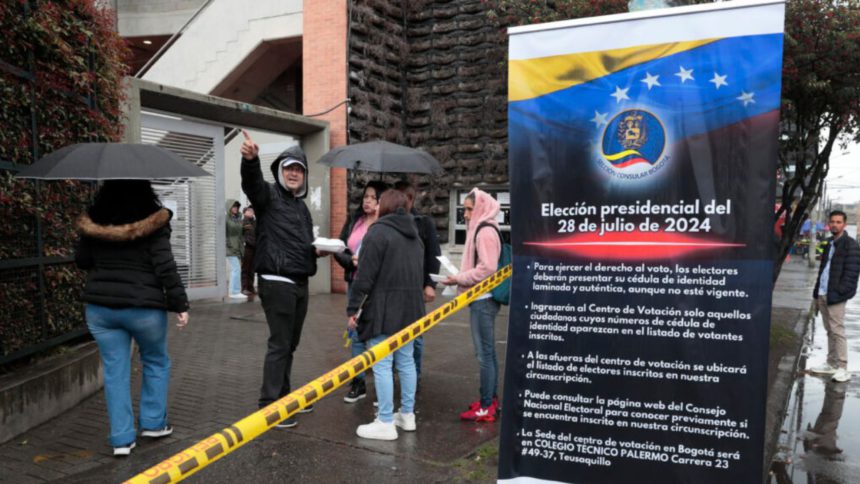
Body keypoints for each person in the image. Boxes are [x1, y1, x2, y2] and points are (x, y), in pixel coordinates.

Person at [74, 180, 189, 456]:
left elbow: (82, 261)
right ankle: (153, 423)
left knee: (115, 371)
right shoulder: (155, 221)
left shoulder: (93, 222)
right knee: (156, 361)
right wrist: (179, 303)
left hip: (101, 309)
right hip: (144, 308)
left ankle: (122, 439)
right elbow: (165, 265)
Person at [240, 130, 325, 427]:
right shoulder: (268, 196)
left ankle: (286, 398)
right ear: (279, 170)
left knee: (290, 343)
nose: (293, 173)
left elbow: (303, 246)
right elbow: (252, 185)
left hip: (299, 282)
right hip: (276, 282)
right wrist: (250, 161)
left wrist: (319, 252)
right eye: (288, 167)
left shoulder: (301, 208)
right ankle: (269, 405)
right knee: (279, 343)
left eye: (298, 169)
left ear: (303, 176)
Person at [347, 190, 424, 440]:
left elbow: (365, 278)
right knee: (406, 361)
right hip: (411, 310)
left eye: (379, 202)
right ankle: (408, 415)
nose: (376, 205)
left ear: (385, 206)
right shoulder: (415, 235)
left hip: (383, 309)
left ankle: (385, 420)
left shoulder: (377, 233)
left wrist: (353, 310)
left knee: (382, 363)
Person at [442, 188, 502, 422]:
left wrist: (459, 278)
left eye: (469, 209)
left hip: (482, 300)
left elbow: (488, 268)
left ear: (481, 208)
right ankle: (490, 399)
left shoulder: (484, 231)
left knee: (484, 355)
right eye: (463, 209)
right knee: (488, 354)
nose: (465, 215)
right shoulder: (483, 228)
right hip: (482, 299)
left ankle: (486, 406)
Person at [333, 180, 389, 403]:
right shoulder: (355, 221)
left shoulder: (385, 225)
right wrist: (351, 261)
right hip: (354, 284)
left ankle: (383, 387)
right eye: (365, 196)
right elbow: (340, 249)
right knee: (355, 335)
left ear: (381, 201)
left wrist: (366, 262)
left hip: (377, 289)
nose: (367, 201)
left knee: (378, 336)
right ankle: (358, 382)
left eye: (372, 197)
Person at [393, 180, 441, 387]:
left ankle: (414, 376)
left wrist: (430, 284)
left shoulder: (423, 223)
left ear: (411, 199)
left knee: (416, 337)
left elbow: (434, 255)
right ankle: (399, 374)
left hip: (416, 288)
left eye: (403, 199)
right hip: (393, 288)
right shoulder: (389, 221)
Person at [811, 210, 860, 383]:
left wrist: (840, 292)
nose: (835, 225)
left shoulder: (851, 245)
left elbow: (852, 274)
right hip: (823, 293)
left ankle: (842, 367)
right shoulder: (829, 243)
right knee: (829, 330)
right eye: (832, 222)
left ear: (844, 224)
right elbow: (823, 270)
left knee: (838, 331)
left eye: (838, 222)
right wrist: (817, 293)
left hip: (835, 295)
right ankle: (831, 363)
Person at [226, 200, 245, 299]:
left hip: (238, 248)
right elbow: (223, 234)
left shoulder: (238, 219)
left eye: (237, 207)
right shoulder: (226, 219)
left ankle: (233, 291)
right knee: (236, 269)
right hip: (230, 248)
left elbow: (240, 234)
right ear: (229, 207)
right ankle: (234, 292)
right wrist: (228, 245)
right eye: (233, 207)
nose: (235, 208)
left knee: (236, 269)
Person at [241, 206, 257, 297]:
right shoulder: (243, 222)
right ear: (245, 212)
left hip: (254, 247)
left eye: (252, 210)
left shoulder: (254, 222)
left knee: (252, 269)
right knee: (245, 269)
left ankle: (250, 287)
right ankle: (244, 288)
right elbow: (241, 235)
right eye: (249, 211)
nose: (251, 212)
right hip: (246, 248)